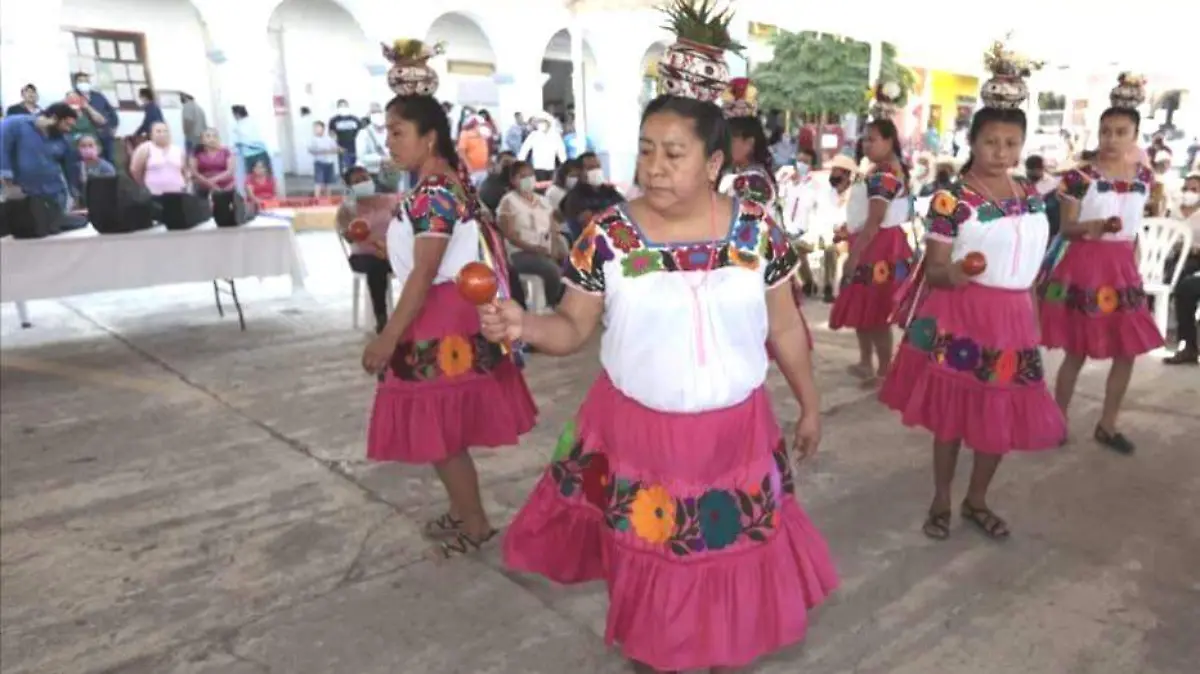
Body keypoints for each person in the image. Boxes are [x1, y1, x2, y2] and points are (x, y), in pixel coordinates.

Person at [487, 23, 835, 673]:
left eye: (674, 153)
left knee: (729, 574)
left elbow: (784, 327)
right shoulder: (609, 235)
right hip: (640, 437)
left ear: (714, 164)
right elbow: (572, 326)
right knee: (657, 582)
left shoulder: (759, 231)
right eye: (646, 150)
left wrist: (809, 406)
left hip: (736, 435)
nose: (653, 166)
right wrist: (523, 326)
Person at [880, 44, 1065, 541]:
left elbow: (1037, 255)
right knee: (953, 415)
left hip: (1014, 318)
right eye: (991, 142)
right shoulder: (951, 199)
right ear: (973, 141)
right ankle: (942, 497)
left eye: (1010, 143)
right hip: (964, 313)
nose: (1000, 152)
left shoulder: (1030, 194)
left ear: (1021, 146)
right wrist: (959, 271)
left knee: (999, 413)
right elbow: (936, 270)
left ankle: (977, 499)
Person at [360, 38, 536, 559]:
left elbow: (424, 274)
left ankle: (476, 522)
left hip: (437, 316)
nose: (389, 141)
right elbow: (422, 259)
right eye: (388, 131)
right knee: (442, 432)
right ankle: (464, 511)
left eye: (398, 132)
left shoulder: (434, 192)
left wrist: (387, 337)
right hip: (438, 309)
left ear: (429, 136)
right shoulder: (433, 188)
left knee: (441, 434)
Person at [1038, 74, 1164, 454]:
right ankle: (1057, 421)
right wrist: (1091, 227)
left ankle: (1108, 423)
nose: (1110, 138)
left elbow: (1136, 226)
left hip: (1122, 267)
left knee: (1126, 350)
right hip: (1086, 265)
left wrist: (1135, 261)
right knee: (1077, 348)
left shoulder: (1144, 178)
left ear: (1135, 135)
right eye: (1105, 130)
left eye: (1120, 131)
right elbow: (1066, 228)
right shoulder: (1078, 177)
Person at [829, 111, 915, 387]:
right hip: (874, 242)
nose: (867, 145)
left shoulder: (886, 172)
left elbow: (875, 220)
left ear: (890, 141)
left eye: (873, 139)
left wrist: (854, 256)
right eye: (864, 139)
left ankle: (882, 368)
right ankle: (868, 363)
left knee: (876, 311)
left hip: (878, 247)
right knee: (865, 307)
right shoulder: (884, 169)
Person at [337, 166, 397, 333]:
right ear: (350, 187)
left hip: (393, 252)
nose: (363, 183)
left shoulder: (391, 201)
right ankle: (382, 319)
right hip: (364, 256)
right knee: (376, 267)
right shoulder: (347, 209)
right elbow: (348, 236)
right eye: (357, 181)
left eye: (365, 178)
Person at [497, 160, 564, 306]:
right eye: (522, 176)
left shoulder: (543, 200)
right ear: (513, 180)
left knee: (570, 265)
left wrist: (554, 248)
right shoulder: (508, 201)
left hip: (544, 249)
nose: (528, 179)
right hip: (520, 253)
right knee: (552, 271)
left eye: (531, 175)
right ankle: (551, 306)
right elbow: (510, 236)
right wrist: (534, 249)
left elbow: (552, 228)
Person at [0, 103, 80, 210]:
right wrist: (8, 185)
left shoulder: (63, 139)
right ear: (53, 118)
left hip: (53, 194)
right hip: (20, 193)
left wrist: (74, 193)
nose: (68, 130)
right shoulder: (15, 124)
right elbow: (2, 152)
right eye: (67, 124)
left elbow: (70, 168)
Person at [718, 78, 778, 219]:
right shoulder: (730, 173)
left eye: (730, 140)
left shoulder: (755, 182)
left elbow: (745, 229)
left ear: (749, 143)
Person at [1162, 172, 1200, 365]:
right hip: (1176, 256)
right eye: (1187, 188)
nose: (1189, 193)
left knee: (1184, 273)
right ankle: (1189, 347)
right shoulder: (1174, 210)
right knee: (1185, 287)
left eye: (1195, 189)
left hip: (1194, 258)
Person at [815, 154, 859, 302]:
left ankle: (832, 287)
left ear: (846, 174)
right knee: (829, 246)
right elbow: (822, 217)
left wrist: (843, 231)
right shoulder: (827, 194)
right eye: (832, 170)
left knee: (834, 248)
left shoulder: (855, 194)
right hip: (828, 234)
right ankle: (825, 286)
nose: (833, 174)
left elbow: (856, 220)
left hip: (849, 236)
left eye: (837, 170)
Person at [559, 151, 625, 240]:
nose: (596, 171)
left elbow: (626, 211)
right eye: (591, 168)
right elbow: (590, 224)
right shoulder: (574, 198)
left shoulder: (610, 191)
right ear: (580, 172)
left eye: (598, 167)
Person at [67, 72, 119, 163]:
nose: (83, 83)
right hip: (87, 136)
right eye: (80, 81)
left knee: (109, 159)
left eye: (86, 81)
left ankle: (111, 175)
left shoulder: (98, 96)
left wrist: (113, 126)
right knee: (91, 162)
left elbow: (111, 112)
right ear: (75, 83)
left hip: (105, 133)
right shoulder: (73, 97)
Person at [356, 103, 405, 192]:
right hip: (369, 174)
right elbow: (362, 157)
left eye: (379, 111)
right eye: (374, 112)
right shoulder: (363, 133)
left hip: (389, 174)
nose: (377, 115)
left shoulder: (391, 131)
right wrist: (382, 159)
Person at [130, 122, 188, 195]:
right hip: (153, 193)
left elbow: (185, 171)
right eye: (158, 131)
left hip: (177, 193)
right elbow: (135, 170)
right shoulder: (145, 148)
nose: (162, 134)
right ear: (151, 134)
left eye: (165, 131)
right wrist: (143, 184)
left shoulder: (178, 150)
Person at [230, 104, 272, 184]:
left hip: (249, 155)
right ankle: (269, 193)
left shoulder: (238, 126)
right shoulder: (254, 121)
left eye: (233, 114)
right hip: (261, 152)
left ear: (237, 114)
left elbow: (238, 142)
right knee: (266, 177)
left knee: (251, 179)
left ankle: (254, 194)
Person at [517, 115, 566, 182]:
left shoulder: (555, 136)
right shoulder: (534, 135)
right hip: (538, 168)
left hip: (551, 167)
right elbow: (524, 149)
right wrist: (520, 163)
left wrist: (564, 164)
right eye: (540, 122)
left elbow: (561, 151)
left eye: (544, 122)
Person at [190, 128, 236, 199]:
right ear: (202, 140)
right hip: (204, 189)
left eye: (214, 136)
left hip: (226, 188)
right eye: (208, 136)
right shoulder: (197, 153)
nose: (212, 139)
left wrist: (213, 180)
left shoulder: (226, 151)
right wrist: (208, 183)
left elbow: (230, 171)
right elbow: (194, 172)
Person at [75, 134, 116, 207]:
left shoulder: (106, 168)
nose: (87, 149)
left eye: (91, 145)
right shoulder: (77, 167)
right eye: (83, 146)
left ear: (98, 148)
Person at [329, 99, 362, 175]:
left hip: (354, 146)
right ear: (338, 108)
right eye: (341, 106)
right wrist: (335, 144)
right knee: (344, 167)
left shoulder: (354, 119)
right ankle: (345, 181)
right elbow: (332, 133)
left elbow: (360, 132)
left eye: (345, 106)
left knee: (354, 166)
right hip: (342, 146)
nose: (343, 107)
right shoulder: (334, 120)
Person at [478, 150, 516, 215]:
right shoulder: (490, 185)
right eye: (506, 163)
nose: (509, 166)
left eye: (513, 164)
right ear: (496, 165)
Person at [456, 116, 490, 186]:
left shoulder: (482, 135)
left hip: (483, 170)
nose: (482, 126)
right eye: (480, 124)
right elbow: (461, 151)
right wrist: (468, 166)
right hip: (472, 171)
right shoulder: (465, 134)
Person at [308, 120, 339, 198]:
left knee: (328, 183)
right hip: (319, 163)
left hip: (329, 163)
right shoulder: (313, 139)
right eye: (314, 128)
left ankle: (328, 200)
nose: (315, 129)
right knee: (318, 182)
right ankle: (316, 200)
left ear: (323, 128)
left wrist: (330, 151)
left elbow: (335, 149)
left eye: (317, 127)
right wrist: (321, 151)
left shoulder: (329, 138)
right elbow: (311, 150)